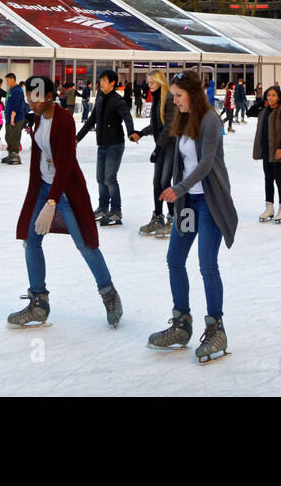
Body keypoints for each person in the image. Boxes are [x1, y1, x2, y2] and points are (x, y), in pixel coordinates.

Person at [10, 75, 122, 328]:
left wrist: (52, 202)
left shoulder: (64, 120)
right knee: (31, 240)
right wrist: (40, 194)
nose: (31, 101)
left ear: (49, 97)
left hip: (65, 192)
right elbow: (41, 156)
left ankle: (109, 293)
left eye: (35, 97)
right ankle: (38, 302)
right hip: (42, 188)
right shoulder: (38, 118)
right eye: (29, 96)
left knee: (84, 243)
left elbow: (65, 165)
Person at [147, 70, 238, 363]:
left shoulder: (210, 120)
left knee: (207, 265)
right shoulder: (183, 117)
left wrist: (179, 187)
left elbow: (207, 162)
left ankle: (216, 328)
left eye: (179, 95)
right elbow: (182, 162)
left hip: (208, 203)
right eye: (173, 95)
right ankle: (182, 323)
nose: (174, 101)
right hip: (187, 205)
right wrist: (176, 189)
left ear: (193, 94)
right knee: (174, 259)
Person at [75, 69, 137, 227]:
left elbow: (127, 117)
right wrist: (76, 138)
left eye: (104, 81)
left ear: (112, 83)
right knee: (100, 178)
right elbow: (91, 121)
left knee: (109, 178)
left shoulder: (118, 100)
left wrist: (131, 132)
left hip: (115, 145)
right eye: (100, 80)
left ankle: (116, 211)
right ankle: (103, 207)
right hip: (102, 144)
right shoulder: (101, 99)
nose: (101, 83)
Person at [134, 70, 176, 236]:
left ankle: (173, 218)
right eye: (148, 82)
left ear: (160, 82)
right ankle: (157, 217)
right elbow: (157, 124)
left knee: (166, 181)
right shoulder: (157, 98)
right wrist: (141, 133)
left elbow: (169, 125)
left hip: (171, 144)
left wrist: (157, 148)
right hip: (162, 145)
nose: (149, 85)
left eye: (152, 82)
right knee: (157, 182)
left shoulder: (169, 98)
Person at [250, 85, 281, 224]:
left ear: (279, 97)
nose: (270, 98)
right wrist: (259, 102)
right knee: (268, 179)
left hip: (278, 152)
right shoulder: (264, 110)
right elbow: (249, 112)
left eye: (273, 95)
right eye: (268, 95)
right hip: (266, 151)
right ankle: (269, 207)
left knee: (279, 180)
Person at [2, 73, 28, 166]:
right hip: (9, 117)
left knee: (14, 136)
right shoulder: (11, 90)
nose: (7, 83)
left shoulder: (17, 90)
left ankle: (15, 155)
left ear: (13, 79)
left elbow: (16, 105)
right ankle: (10, 154)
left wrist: (13, 117)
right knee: (8, 136)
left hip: (16, 117)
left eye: (8, 80)